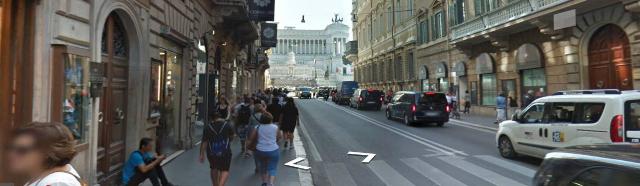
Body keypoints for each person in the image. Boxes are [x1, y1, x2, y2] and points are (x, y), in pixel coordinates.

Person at [7, 122, 82, 186]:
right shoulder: (44, 177)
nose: (11, 154)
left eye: (22, 150)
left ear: (47, 153)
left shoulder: (57, 182)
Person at [200, 112, 234, 186]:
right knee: (225, 169)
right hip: (225, 151)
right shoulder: (227, 125)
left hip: (212, 152)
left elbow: (204, 142)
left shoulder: (208, 127)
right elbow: (231, 137)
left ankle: (215, 184)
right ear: (220, 117)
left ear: (211, 119)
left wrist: (202, 154)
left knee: (214, 167)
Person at [248, 113, 282, 186]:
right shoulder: (275, 127)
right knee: (273, 167)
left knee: (263, 166)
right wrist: (273, 141)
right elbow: (279, 137)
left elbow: (251, 138)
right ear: (271, 119)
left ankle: (264, 182)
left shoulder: (257, 127)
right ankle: (271, 183)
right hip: (273, 150)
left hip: (260, 150)